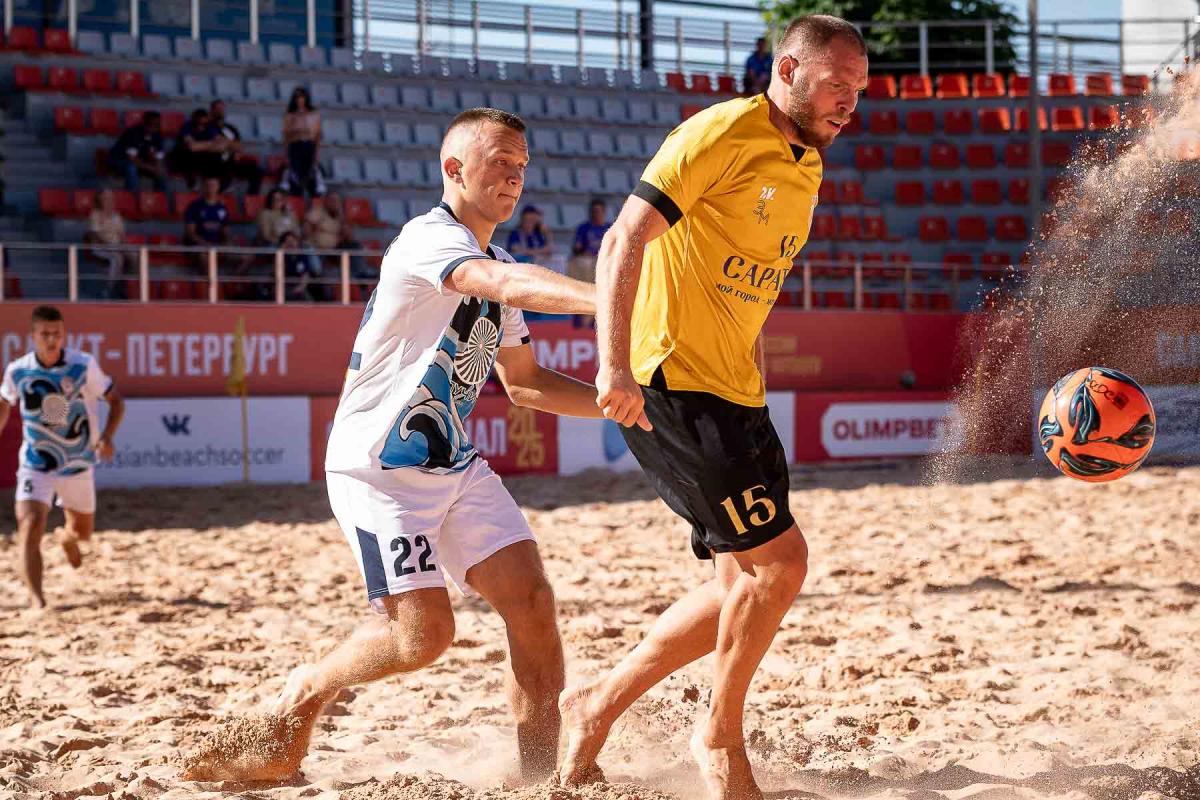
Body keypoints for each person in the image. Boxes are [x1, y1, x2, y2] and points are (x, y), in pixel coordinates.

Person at [181, 107, 646, 784]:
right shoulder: (428, 240)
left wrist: (636, 405)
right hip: (378, 467)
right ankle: (303, 692)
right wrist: (617, 296)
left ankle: (544, 778)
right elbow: (500, 284)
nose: (514, 177)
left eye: (522, 166)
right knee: (421, 637)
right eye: (500, 162)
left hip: (450, 460)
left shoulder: (501, 262)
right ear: (454, 169)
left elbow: (526, 384)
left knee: (532, 604)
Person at [558, 15, 868, 800]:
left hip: (735, 389)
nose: (849, 103)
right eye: (837, 84)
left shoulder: (806, 163)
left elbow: (743, 288)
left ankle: (595, 705)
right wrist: (613, 366)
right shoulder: (721, 132)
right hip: (674, 380)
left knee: (742, 585)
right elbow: (622, 240)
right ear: (788, 69)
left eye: (859, 90)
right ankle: (720, 739)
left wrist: (752, 381)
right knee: (782, 565)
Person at [0, 305, 126, 610]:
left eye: (56, 333)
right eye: (45, 334)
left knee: (83, 533)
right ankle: (38, 600)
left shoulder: (83, 365)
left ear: (64, 334)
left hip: (77, 462)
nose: (51, 339)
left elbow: (116, 401)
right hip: (36, 462)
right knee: (29, 525)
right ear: (33, 336)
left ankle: (67, 537)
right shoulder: (18, 370)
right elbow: (4, 402)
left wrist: (107, 437)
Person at [84, 189, 136, 299]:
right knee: (117, 258)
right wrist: (109, 246)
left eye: (111, 198)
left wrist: (127, 248)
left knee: (135, 256)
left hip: (116, 246)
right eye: (106, 198)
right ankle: (109, 289)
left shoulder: (117, 216)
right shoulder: (95, 215)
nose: (109, 201)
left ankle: (130, 287)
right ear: (100, 200)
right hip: (100, 247)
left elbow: (122, 235)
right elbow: (95, 235)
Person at [209, 99, 263, 196]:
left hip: (231, 161)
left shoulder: (230, 128)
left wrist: (231, 147)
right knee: (222, 166)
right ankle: (218, 194)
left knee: (256, 171)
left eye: (222, 109)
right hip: (214, 162)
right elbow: (214, 145)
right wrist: (231, 145)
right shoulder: (207, 127)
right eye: (217, 109)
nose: (220, 111)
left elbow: (239, 146)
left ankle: (251, 198)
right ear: (212, 110)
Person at [304, 192, 363, 276]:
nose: (334, 203)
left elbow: (349, 237)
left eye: (336, 201)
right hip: (318, 249)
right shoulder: (317, 212)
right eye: (331, 200)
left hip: (335, 249)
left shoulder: (340, 216)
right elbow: (306, 230)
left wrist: (343, 222)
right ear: (325, 201)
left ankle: (359, 274)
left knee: (354, 245)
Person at [280, 87, 325, 198]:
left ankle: (315, 202)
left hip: (309, 146)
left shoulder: (314, 114)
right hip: (295, 147)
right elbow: (286, 137)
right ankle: (297, 201)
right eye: (297, 97)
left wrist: (316, 153)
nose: (299, 99)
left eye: (301, 96)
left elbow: (318, 135)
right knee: (295, 179)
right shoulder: (289, 115)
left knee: (311, 177)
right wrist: (286, 155)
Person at [108, 111, 166, 192]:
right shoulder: (133, 133)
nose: (153, 127)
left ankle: (161, 197)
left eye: (156, 125)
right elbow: (131, 159)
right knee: (131, 168)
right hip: (120, 161)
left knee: (162, 170)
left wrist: (159, 167)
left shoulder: (157, 135)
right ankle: (132, 196)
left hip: (141, 163)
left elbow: (159, 157)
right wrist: (151, 168)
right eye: (151, 124)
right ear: (144, 123)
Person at [183, 176, 230, 273]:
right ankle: (212, 281)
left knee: (246, 256)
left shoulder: (222, 208)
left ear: (218, 187)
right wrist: (206, 244)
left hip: (217, 245)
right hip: (199, 246)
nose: (211, 188)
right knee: (203, 255)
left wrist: (226, 243)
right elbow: (190, 233)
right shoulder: (194, 207)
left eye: (213, 185)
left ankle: (236, 280)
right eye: (208, 185)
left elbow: (226, 232)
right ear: (203, 187)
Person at [169, 108, 225, 189]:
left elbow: (221, 144)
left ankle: (217, 184)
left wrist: (203, 146)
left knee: (218, 156)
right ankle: (191, 180)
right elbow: (191, 146)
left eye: (204, 122)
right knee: (189, 153)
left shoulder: (210, 126)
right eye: (199, 122)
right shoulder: (187, 126)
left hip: (204, 154)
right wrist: (210, 144)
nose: (201, 125)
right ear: (194, 119)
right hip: (186, 155)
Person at [279, 231, 327, 302]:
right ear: (283, 244)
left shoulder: (301, 256)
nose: (291, 244)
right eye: (288, 241)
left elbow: (305, 274)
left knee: (310, 295)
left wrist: (300, 287)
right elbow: (279, 275)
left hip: (300, 285)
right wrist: (282, 252)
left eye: (293, 241)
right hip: (285, 286)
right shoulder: (280, 257)